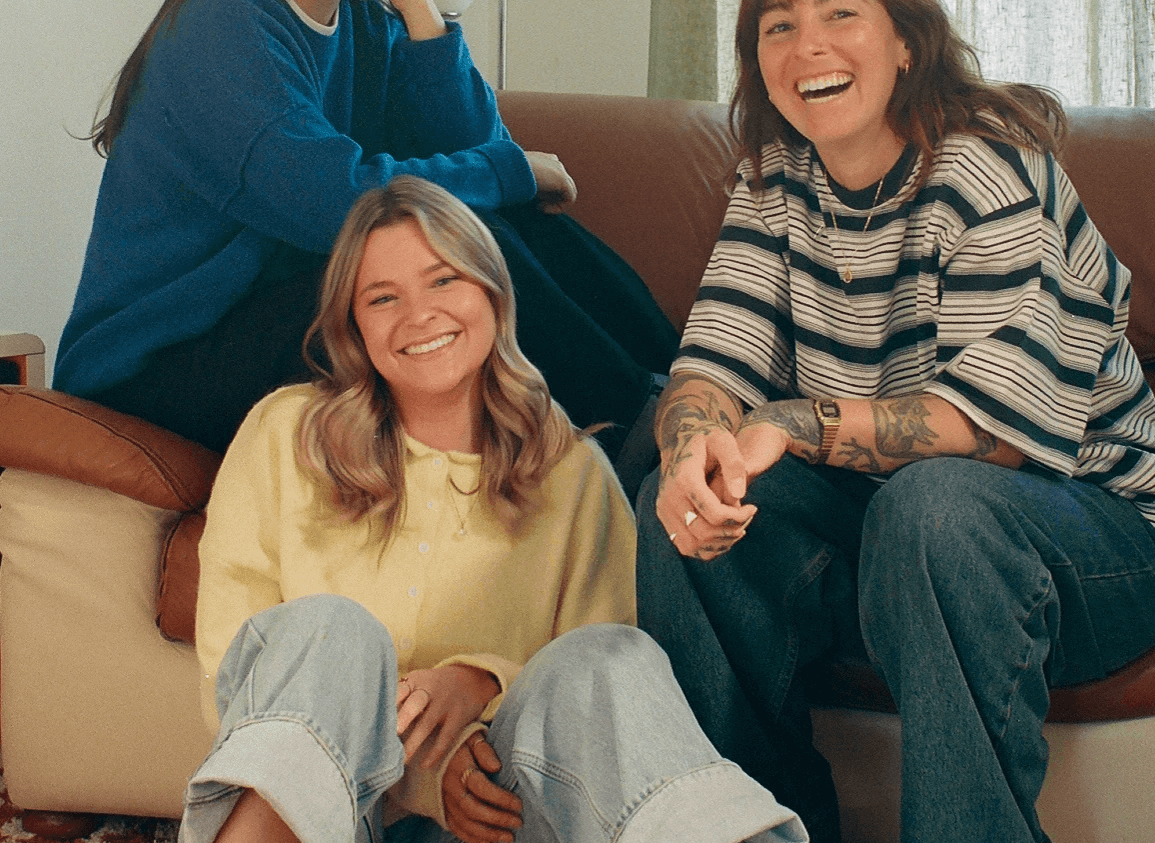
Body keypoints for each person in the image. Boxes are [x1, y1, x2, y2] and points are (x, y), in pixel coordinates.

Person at [635, 0, 1155, 843]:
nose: (808, 46)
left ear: (906, 38)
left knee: (934, 505)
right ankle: (755, 830)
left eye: (840, 13)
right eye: (778, 25)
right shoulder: (774, 178)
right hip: (895, 529)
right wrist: (694, 450)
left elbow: (991, 435)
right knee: (688, 505)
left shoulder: (988, 164)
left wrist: (795, 419)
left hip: (1105, 540)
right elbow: (710, 364)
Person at [54, 0, 675, 476]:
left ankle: (685, 391)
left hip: (277, 307)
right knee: (468, 239)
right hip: (161, 363)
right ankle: (642, 441)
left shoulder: (363, 22)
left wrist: (417, 2)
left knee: (519, 222)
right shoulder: (223, 25)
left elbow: (478, 146)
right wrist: (509, 172)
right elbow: (334, 202)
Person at [184, 175, 806, 843]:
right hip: (326, 815)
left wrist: (481, 682)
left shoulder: (572, 471)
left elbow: (608, 711)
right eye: (383, 297)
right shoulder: (285, 433)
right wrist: (424, 774)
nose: (419, 314)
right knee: (330, 632)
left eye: (444, 280)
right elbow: (237, 667)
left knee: (607, 658)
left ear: (492, 291)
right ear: (354, 325)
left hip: (505, 815)